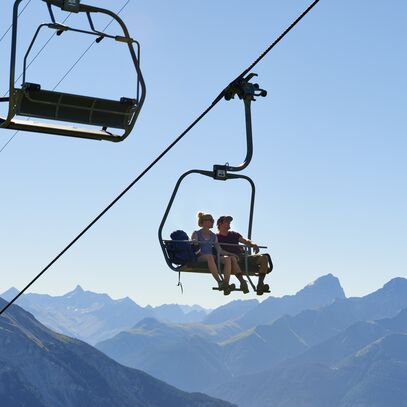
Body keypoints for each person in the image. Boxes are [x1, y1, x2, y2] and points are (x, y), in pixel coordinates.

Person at [216, 215, 270, 294]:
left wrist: (253, 244)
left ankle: (260, 284)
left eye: (229, 222)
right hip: (232, 257)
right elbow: (219, 250)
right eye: (226, 221)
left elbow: (245, 240)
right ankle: (242, 282)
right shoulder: (216, 237)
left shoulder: (234, 234)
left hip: (243, 256)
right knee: (233, 259)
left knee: (264, 258)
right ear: (220, 224)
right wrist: (231, 254)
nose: (229, 223)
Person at [191, 212, 234, 295]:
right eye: (210, 220)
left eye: (212, 220)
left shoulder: (213, 236)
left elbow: (219, 250)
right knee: (210, 257)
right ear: (204, 222)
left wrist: (231, 254)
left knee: (227, 259)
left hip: (210, 257)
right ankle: (219, 282)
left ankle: (226, 283)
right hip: (200, 256)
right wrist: (194, 242)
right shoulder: (196, 233)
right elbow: (194, 246)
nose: (213, 222)